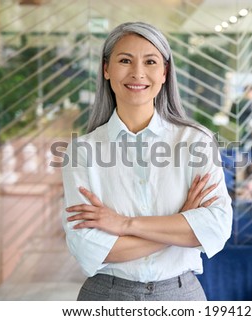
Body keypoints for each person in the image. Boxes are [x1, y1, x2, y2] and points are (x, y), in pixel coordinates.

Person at [61, 22, 233, 301]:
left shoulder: (196, 142)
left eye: (150, 61)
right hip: (106, 297)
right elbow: (87, 248)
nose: (137, 73)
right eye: (125, 60)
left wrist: (124, 225)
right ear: (106, 69)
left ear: (164, 72)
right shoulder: (82, 152)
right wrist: (180, 224)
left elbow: (216, 228)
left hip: (181, 296)